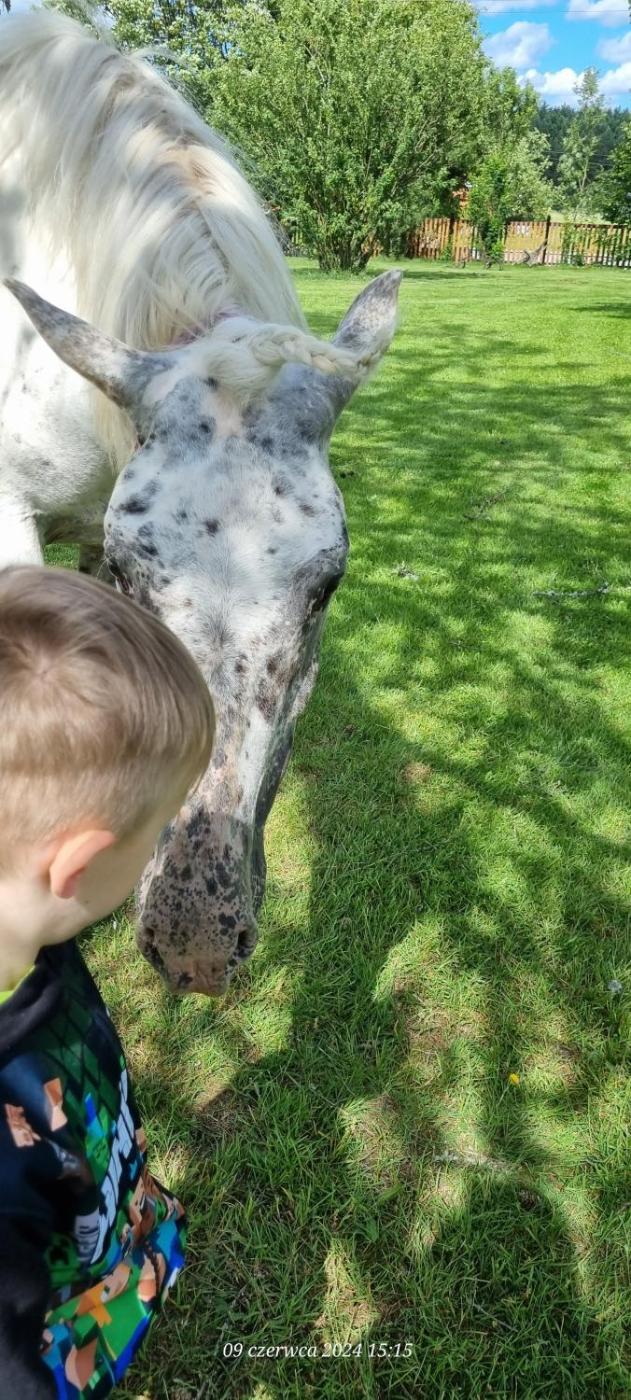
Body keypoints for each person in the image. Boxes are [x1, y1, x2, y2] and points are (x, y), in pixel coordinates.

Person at [0, 565, 215, 1399]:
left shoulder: (36, 928)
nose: (158, 845)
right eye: (155, 831)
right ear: (78, 865)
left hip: (98, 1202)